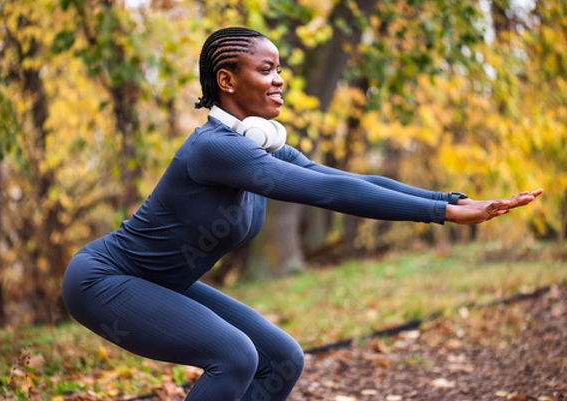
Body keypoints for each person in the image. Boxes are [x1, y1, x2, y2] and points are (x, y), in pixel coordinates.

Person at [62, 26, 543, 400]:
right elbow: (327, 193)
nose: (280, 79)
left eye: (279, 69)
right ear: (227, 81)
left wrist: (448, 200)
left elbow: (350, 180)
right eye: (266, 69)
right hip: (104, 280)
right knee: (234, 356)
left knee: (282, 358)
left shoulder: (254, 146)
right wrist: (440, 216)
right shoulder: (216, 149)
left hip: (160, 282)